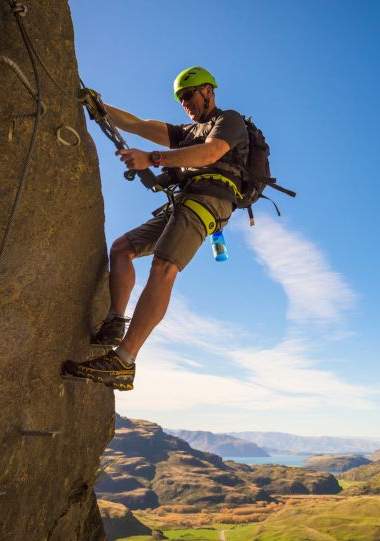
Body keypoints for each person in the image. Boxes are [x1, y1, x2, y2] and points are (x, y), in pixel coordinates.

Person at [63, 66, 248, 391]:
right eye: (180, 99)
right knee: (122, 248)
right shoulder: (188, 132)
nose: (185, 104)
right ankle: (116, 323)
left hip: (212, 199)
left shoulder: (228, 120)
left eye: (188, 96)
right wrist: (97, 105)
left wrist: (152, 158)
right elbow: (138, 125)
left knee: (164, 266)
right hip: (186, 200)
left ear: (208, 91)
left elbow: (211, 152)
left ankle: (124, 361)